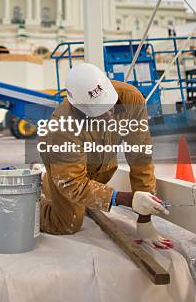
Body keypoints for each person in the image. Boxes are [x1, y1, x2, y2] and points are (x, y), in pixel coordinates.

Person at [39, 63, 173, 249]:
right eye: (99, 113)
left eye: (111, 107)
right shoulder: (62, 128)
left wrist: (144, 219)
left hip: (101, 165)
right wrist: (125, 199)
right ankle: (22, 207)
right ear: (79, 109)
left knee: (93, 193)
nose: (110, 117)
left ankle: (48, 181)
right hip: (65, 167)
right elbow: (73, 183)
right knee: (67, 223)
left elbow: (140, 156)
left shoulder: (130, 99)